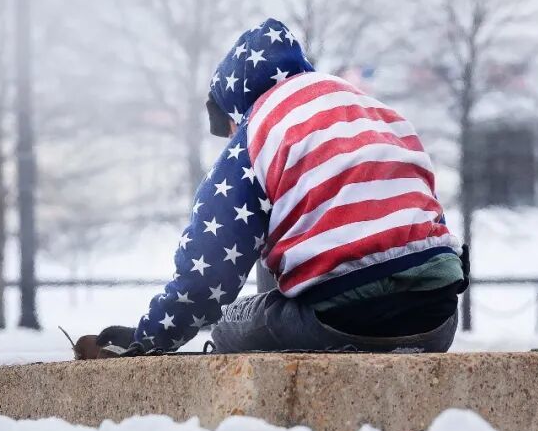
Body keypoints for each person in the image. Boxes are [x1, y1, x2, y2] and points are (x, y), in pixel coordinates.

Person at [92, 18, 464, 356]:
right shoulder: (373, 111)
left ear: (235, 109)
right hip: (438, 321)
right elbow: (428, 218)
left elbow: (206, 272)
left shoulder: (257, 128)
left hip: (338, 323)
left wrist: (150, 336)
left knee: (229, 324)